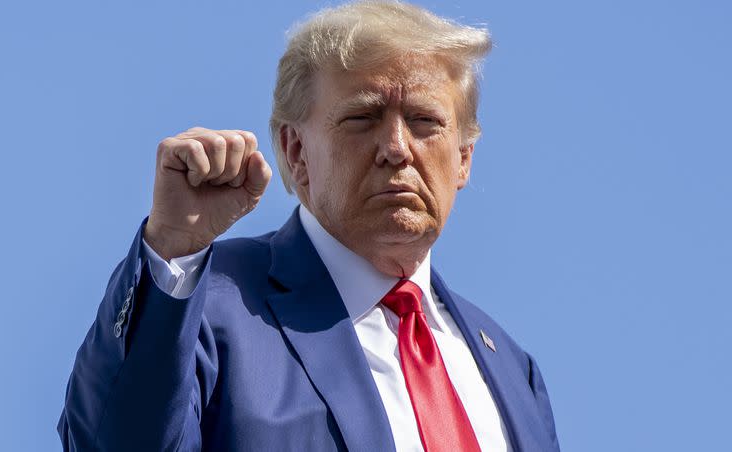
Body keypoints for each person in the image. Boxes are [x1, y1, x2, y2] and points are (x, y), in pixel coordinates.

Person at [57, 1, 560, 451]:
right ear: (297, 152)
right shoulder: (209, 304)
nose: (397, 148)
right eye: (363, 117)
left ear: (464, 157)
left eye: (425, 121)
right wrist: (172, 245)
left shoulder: (513, 372)